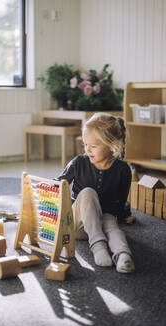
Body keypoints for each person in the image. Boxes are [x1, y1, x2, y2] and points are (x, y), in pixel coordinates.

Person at [56, 112, 135, 273]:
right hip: (77, 225)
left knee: (111, 222)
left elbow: (120, 203)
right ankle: (98, 247)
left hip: (103, 220)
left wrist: (121, 215)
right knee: (87, 193)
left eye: (93, 146)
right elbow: (58, 184)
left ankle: (123, 255)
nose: (88, 150)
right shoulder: (79, 162)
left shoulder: (123, 170)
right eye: (85, 145)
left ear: (112, 145)